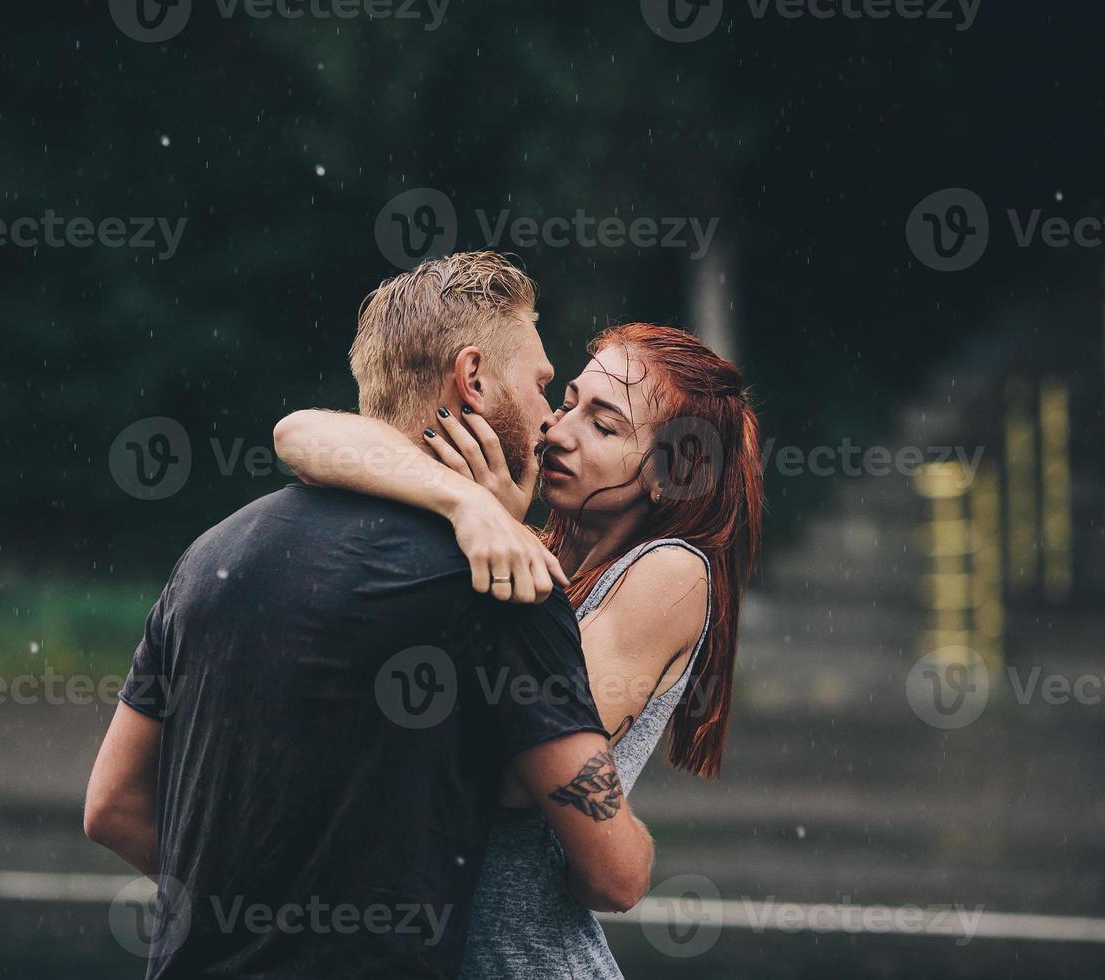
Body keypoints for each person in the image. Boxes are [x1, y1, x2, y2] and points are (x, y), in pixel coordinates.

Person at [83, 251, 656, 979]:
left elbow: (110, 806)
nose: (549, 420)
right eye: (543, 386)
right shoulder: (504, 581)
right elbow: (615, 876)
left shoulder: (209, 557)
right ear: (474, 378)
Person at [273, 319, 763, 978]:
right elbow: (298, 435)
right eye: (567, 404)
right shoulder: (512, 538)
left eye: (604, 425)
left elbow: (517, 766)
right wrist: (462, 503)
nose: (557, 433)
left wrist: (497, 520)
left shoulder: (671, 572)